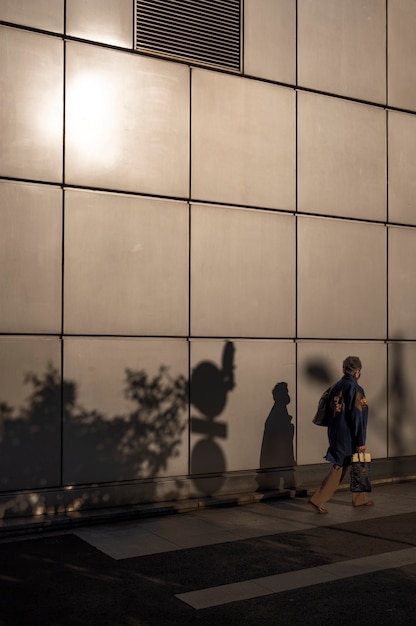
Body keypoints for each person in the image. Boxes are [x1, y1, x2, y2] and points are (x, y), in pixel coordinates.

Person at [309, 356, 374, 513]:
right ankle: (318, 499)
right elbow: (358, 417)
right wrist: (360, 440)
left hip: (335, 431)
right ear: (357, 372)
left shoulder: (335, 386)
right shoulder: (356, 390)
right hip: (349, 435)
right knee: (342, 466)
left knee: (356, 465)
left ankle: (360, 499)